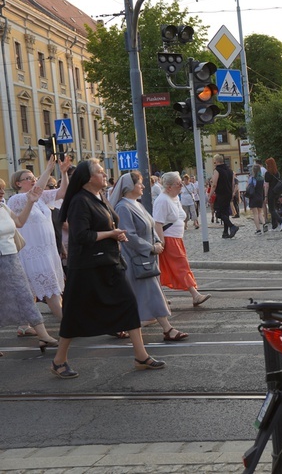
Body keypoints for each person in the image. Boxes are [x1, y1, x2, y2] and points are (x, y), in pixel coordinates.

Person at [53, 159, 165, 379]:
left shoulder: (99, 197)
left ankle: (141, 356)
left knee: (129, 304)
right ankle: (58, 360)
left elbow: (107, 225)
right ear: (88, 178)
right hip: (86, 267)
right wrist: (111, 234)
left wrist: (117, 233)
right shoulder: (79, 201)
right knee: (74, 315)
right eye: (100, 172)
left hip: (109, 263)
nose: (105, 175)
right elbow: (81, 236)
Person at [110, 172, 188, 342]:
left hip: (145, 258)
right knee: (152, 292)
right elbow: (129, 235)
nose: (143, 187)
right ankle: (168, 329)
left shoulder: (136, 204)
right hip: (135, 258)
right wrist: (151, 248)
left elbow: (151, 225)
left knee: (133, 296)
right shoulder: (123, 207)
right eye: (140, 184)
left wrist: (158, 241)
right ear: (129, 187)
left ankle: (118, 325)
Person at [8, 154, 71, 321]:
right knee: (49, 292)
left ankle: (25, 326)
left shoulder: (41, 198)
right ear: (18, 184)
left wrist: (63, 173)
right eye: (28, 178)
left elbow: (63, 192)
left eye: (33, 177)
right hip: (32, 254)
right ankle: (68, 324)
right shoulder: (15, 200)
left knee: (40, 292)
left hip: (48, 252)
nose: (33, 180)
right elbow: (34, 193)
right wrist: (49, 169)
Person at [0, 181, 59, 356]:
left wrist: (31, 202)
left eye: (2, 188)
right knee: (23, 295)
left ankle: (43, 335)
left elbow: (18, 222)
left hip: (11, 257)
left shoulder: (3, 207)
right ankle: (43, 335)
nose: (2, 192)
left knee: (25, 294)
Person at [153, 172, 211, 307]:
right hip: (169, 239)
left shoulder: (175, 198)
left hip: (176, 238)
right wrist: (161, 241)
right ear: (168, 187)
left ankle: (159, 297)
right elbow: (158, 223)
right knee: (181, 267)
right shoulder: (162, 200)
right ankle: (195, 294)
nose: (181, 186)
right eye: (178, 184)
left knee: (168, 269)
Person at [207, 154, 238, 239]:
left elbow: (214, 184)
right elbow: (232, 183)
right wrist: (231, 193)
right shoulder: (230, 170)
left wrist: (210, 195)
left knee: (219, 213)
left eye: (214, 161)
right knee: (225, 213)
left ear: (216, 161)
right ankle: (225, 233)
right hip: (228, 193)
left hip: (221, 194)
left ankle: (232, 226)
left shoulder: (217, 170)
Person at [264, 157, 282, 232]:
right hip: (277, 192)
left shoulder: (267, 174)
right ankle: (274, 226)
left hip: (271, 192)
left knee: (271, 209)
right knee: (274, 208)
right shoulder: (277, 173)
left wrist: (265, 196)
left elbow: (267, 185)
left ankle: (281, 221)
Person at [246, 164, 267, 235]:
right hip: (260, 197)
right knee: (260, 212)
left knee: (255, 214)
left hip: (253, 197)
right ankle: (264, 223)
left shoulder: (252, 178)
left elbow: (248, 187)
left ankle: (258, 230)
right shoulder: (262, 179)